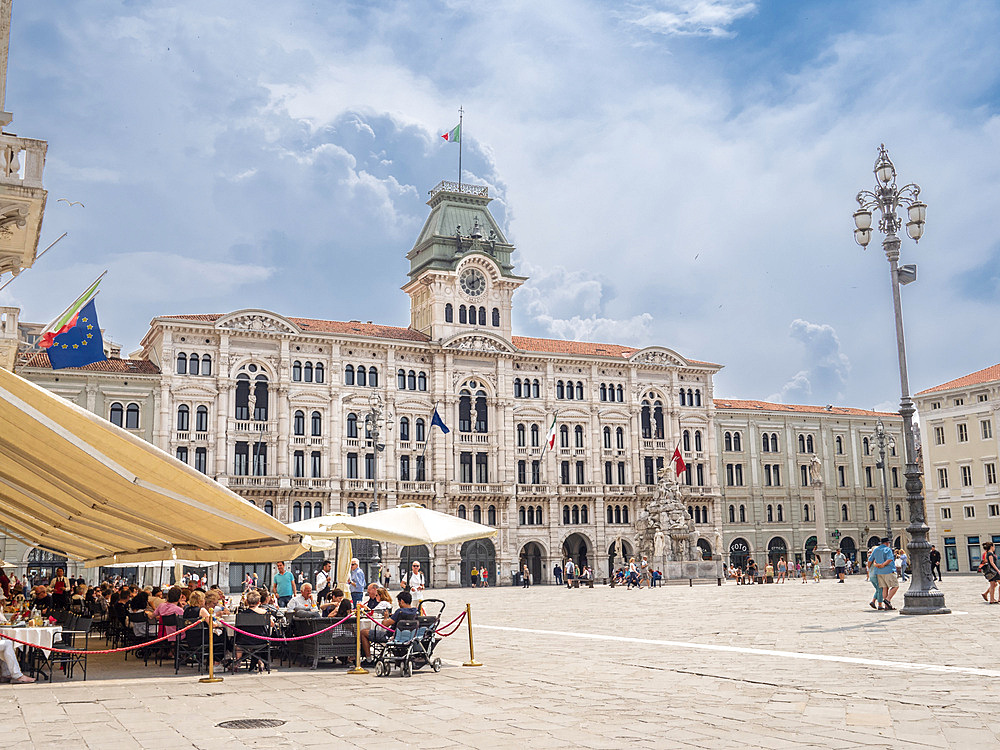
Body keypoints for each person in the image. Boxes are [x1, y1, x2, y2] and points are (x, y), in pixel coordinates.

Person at [359, 589, 419, 666]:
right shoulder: (415, 611)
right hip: (409, 636)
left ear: (402, 601)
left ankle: (368, 659)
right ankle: (379, 656)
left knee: (363, 632)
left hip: (391, 636)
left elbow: (385, 624)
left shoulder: (400, 612)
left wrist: (386, 617)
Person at [868, 537, 898, 609]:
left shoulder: (876, 550)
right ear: (887, 543)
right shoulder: (887, 549)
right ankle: (887, 600)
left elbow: (870, 560)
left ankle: (886, 606)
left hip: (879, 572)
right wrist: (883, 565)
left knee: (885, 588)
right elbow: (890, 559)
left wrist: (870, 568)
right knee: (895, 586)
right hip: (888, 570)